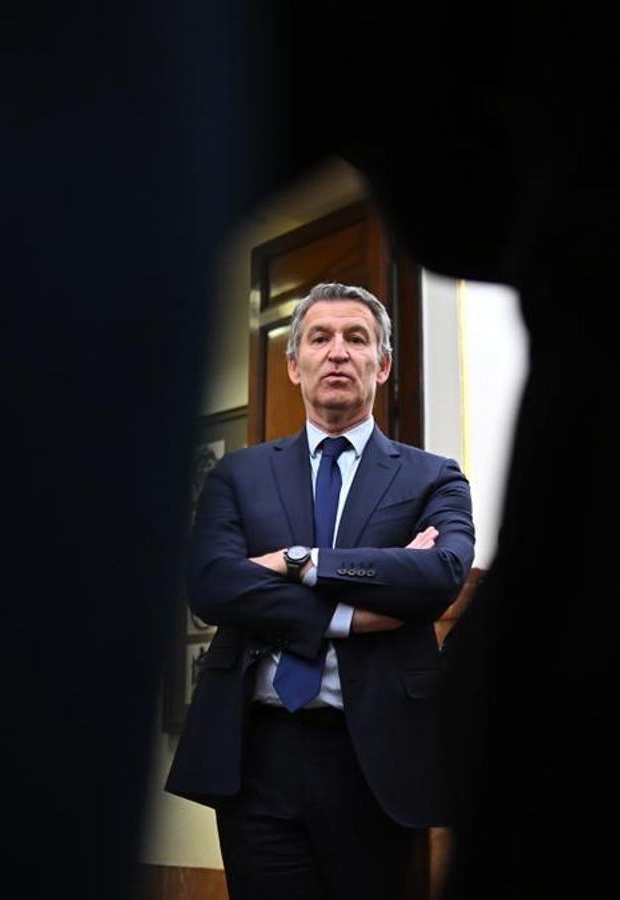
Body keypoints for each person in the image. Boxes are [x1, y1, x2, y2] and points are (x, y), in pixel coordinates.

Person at [165, 282, 475, 900]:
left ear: (382, 365)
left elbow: (438, 574)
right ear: (292, 364)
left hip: (376, 755)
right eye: (319, 338)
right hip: (257, 754)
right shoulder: (239, 475)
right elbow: (213, 585)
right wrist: (350, 615)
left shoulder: (432, 476)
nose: (337, 352)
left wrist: (296, 561)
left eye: (356, 339)